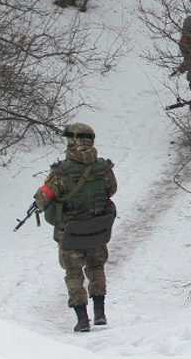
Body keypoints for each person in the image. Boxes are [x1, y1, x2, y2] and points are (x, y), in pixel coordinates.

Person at [33, 122, 118, 331]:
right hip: (97, 229)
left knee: (73, 274)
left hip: (71, 232)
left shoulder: (60, 172)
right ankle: (100, 313)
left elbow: (43, 199)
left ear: (71, 141)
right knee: (97, 267)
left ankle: (82, 320)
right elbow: (112, 189)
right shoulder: (103, 167)